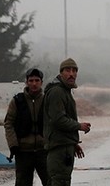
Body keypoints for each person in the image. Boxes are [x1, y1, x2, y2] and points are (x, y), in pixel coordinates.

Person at [43, 58, 92, 186]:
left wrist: (72, 143)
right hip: (59, 150)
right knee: (60, 181)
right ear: (61, 73)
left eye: (74, 71)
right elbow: (58, 120)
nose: (72, 74)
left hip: (63, 146)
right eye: (68, 70)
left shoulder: (64, 91)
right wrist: (79, 126)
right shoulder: (57, 92)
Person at [4, 68, 49, 186]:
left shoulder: (47, 100)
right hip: (23, 151)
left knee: (51, 182)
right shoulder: (17, 101)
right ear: (26, 82)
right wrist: (13, 145)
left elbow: (55, 122)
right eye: (31, 80)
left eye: (37, 80)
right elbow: (9, 123)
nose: (34, 83)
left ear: (41, 82)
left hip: (44, 151)